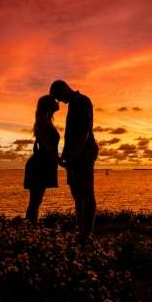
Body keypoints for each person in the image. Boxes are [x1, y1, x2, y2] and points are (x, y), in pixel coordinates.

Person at [49, 80, 99, 243]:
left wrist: (77, 153)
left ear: (63, 90)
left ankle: (87, 235)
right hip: (74, 155)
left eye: (58, 97)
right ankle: (80, 232)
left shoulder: (81, 101)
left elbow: (85, 129)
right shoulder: (74, 103)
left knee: (86, 194)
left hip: (82, 153)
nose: (59, 102)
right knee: (78, 196)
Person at [23, 95, 65, 228]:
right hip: (38, 165)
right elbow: (47, 145)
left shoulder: (48, 122)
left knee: (37, 202)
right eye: (54, 101)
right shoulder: (42, 123)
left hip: (45, 164)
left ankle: (33, 230)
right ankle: (30, 232)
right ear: (48, 104)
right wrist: (60, 161)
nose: (57, 102)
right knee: (34, 202)